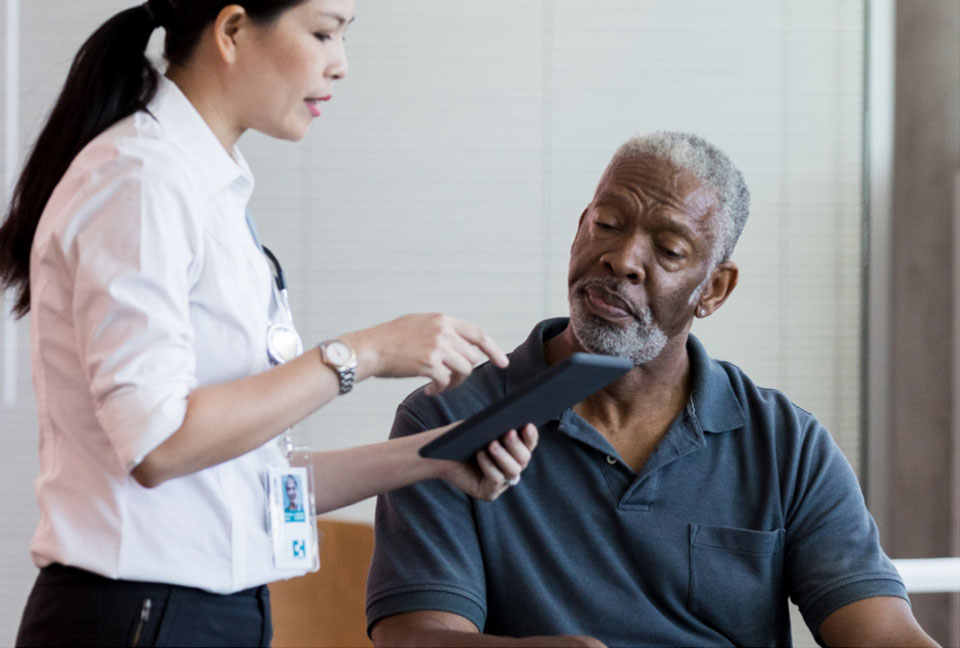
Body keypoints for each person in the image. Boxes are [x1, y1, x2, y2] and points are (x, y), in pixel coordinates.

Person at [0, 1, 538, 646]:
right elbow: (158, 444)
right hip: (142, 617)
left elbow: (255, 480)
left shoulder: (204, 188)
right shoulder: (141, 180)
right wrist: (359, 354)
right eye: (321, 33)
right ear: (231, 32)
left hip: (208, 613)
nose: (340, 64)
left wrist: (435, 458)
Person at [365, 131, 939, 647]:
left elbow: (882, 631)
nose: (622, 260)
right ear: (579, 230)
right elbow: (416, 636)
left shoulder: (787, 443)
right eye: (607, 225)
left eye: (667, 250)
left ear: (713, 289)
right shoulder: (450, 416)